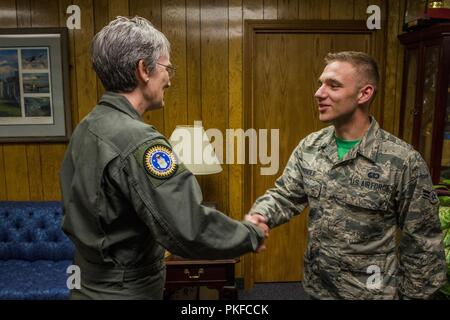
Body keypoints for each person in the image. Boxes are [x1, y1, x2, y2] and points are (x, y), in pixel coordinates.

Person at [60, 16, 268, 300]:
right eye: (167, 68)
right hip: (126, 291)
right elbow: (188, 228)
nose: (169, 79)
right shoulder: (140, 142)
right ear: (144, 70)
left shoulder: (87, 127)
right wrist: (249, 234)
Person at [246, 51, 447, 300]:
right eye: (321, 83)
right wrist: (260, 215)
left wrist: (414, 297)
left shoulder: (402, 161)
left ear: (364, 93)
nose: (319, 93)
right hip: (318, 288)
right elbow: (286, 195)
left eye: (334, 85)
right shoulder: (311, 146)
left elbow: (423, 241)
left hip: (371, 294)